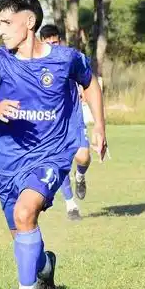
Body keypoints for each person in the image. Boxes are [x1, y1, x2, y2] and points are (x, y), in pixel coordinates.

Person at [0, 0, 107, 289]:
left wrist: (100, 124)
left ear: (28, 22)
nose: (0, 29)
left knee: (25, 213)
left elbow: (90, 84)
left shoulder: (66, 59)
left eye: (6, 22)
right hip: (6, 162)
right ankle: (46, 266)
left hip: (51, 154)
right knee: (23, 234)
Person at [39, 24, 91, 220]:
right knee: (60, 164)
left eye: (56, 41)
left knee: (83, 157)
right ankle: (71, 206)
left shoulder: (68, 58)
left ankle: (80, 176)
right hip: (52, 123)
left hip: (74, 118)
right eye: (49, 43)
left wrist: (84, 90)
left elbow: (86, 78)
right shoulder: (37, 65)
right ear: (42, 42)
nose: (53, 45)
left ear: (60, 40)